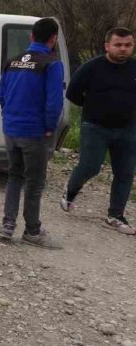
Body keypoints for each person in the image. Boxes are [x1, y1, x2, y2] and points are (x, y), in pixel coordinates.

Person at [60, 27, 136, 235]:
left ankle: (115, 215)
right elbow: (72, 93)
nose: (123, 49)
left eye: (128, 45)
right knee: (90, 166)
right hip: (95, 127)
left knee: (125, 172)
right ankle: (71, 191)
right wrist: (94, 106)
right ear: (107, 46)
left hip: (128, 129)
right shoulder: (91, 68)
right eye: (118, 45)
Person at [0, 17, 64, 248]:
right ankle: (32, 231)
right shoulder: (52, 64)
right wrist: (48, 128)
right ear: (53, 39)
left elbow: (1, 96)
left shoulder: (12, 61)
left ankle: (7, 226)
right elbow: (54, 103)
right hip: (34, 132)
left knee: (15, 176)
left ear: (31, 36)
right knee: (34, 182)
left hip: (11, 129)